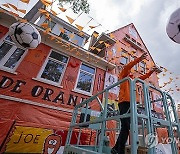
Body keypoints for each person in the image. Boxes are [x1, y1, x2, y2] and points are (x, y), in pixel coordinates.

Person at [111, 52, 158, 154]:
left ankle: (116, 148)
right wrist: (139, 59)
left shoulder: (131, 79)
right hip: (123, 103)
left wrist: (151, 72)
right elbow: (127, 66)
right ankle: (119, 150)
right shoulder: (123, 75)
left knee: (126, 127)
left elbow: (142, 77)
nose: (129, 70)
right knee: (126, 126)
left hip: (131, 104)